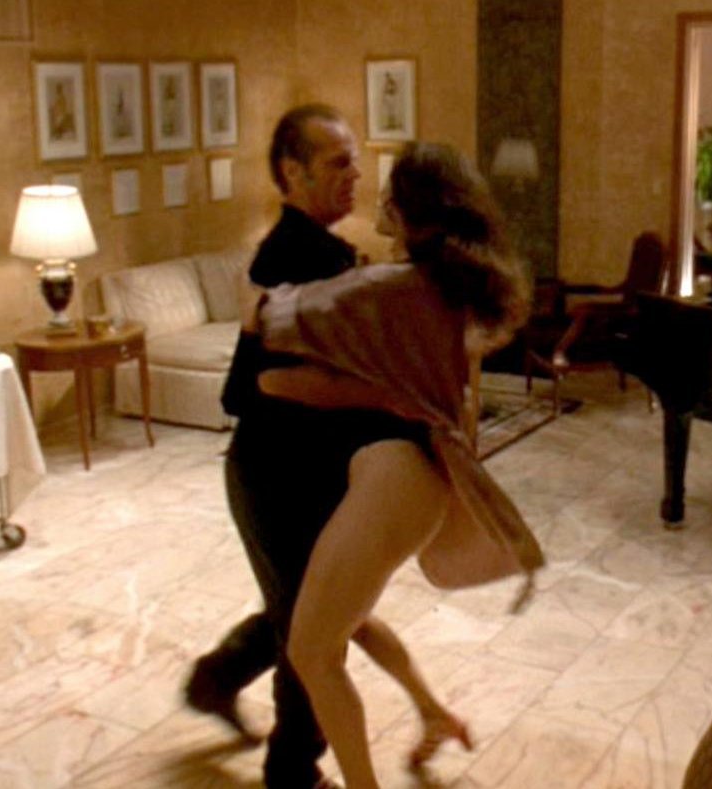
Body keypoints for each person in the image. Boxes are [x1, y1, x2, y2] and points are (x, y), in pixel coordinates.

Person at [185, 105, 472, 787]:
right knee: (313, 635)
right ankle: (292, 767)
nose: (355, 175)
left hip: (311, 469)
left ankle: (218, 681)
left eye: (356, 162)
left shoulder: (332, 257)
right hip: (273, 474)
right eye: (338, 162)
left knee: (321, 617)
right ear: (293, 172)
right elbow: (249, 388)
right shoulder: (294, 256)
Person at [256, 142, 545, 788]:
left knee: (311, 651)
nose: (378, 198)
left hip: (397, 476)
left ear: (411, 210)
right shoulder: (446, 286)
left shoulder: (390, 286)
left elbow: (271, 325)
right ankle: (435, 713)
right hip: (412, 472)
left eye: (391, 192)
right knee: (343, 621)